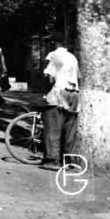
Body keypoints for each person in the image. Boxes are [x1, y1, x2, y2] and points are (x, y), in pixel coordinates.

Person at [41, 32, 79, 167]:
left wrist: (46, 93)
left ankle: (52, 160)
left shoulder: (54, 55)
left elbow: (50, 78)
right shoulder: (73, 57)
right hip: (74, 93)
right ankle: (69, 162)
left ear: (53, 43)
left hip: (60, 91)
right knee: (69, 129)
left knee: (53, 126)